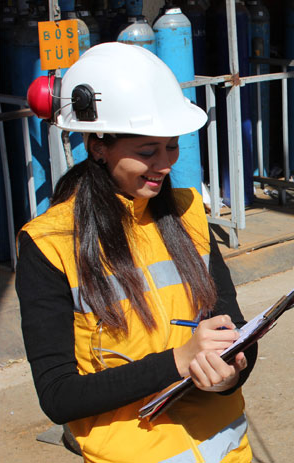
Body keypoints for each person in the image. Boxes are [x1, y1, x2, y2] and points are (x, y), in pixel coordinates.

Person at [16, 42, 257, 463]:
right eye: (147, 152)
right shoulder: (50, 243)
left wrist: (229, 375)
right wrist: (178, 362)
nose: (164, 164)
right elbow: (59, 396)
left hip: (227, 449)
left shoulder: (188, 214)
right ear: (98, 146)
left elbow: (233, 328)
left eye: (172, 146)